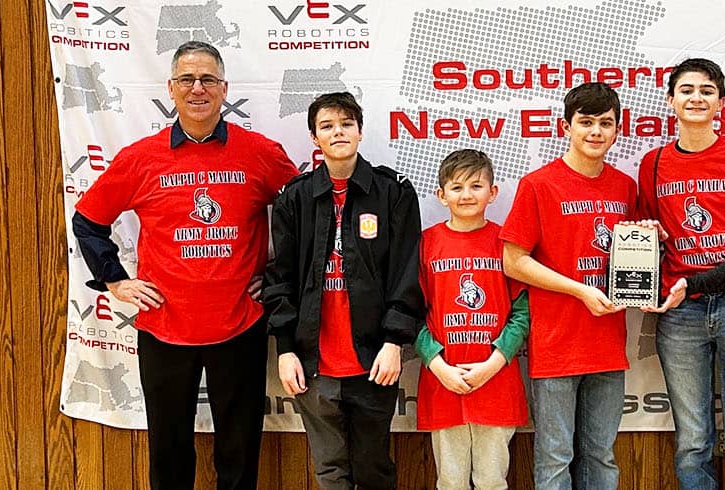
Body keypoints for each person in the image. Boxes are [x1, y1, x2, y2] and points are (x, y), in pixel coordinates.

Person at [70, 41, 298, 490]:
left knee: (239, 449)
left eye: (208, 79)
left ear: (224, 88)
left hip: (240, 324)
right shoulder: (140, 158)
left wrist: (276, 279)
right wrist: (115, 280)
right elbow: (88, 220)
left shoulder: (260, 153)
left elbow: (306, 216)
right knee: (169, 450)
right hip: (164, 327)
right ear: (171, 89)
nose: (198, 88)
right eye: (188, 80)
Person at [264, 92, 425, 490]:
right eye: (327, 126)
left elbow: (408, 271)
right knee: (330, 470)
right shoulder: (294, 198)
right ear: (314, 138)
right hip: (314, 365)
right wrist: (285, 347)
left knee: (374, 470)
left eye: (346, 124)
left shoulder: (393, 192)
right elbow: (280, 277)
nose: (338, 132)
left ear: (360, 130)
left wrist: (394, 342)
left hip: (374, 362)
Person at [634, 58, 725, 490]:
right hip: (679, 313)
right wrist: (647, 237)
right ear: (670, 101)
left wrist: (695, 283)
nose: (696, 98)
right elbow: (647, 244)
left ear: (721, 102)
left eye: (706, 90)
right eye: (686, 90)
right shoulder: (653, 164)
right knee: (693, 439)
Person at [500, 81, 638, 490]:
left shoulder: (625, 187)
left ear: (617, 131)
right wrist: (579, 290)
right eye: (586, 122)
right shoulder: (539, 184)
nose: (596, 131)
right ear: (566, 127)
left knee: (601, 455)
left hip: (608, 346)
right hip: (557, 345)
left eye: (606, 123)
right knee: (556, 456)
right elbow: (513, 261)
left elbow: (636, 255)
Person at [414, 149, 531, 490]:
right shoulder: (426, 243)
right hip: (443, 383)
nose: (466, 195)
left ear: (493, 193)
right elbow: (410, 313)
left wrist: (492, 364)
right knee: (450, 481)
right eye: (457, 187)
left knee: (492, 480)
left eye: (476, 186)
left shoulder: (506, 243)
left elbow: (521, 314)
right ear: (441, 194)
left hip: (495, 382)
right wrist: (439, 367)